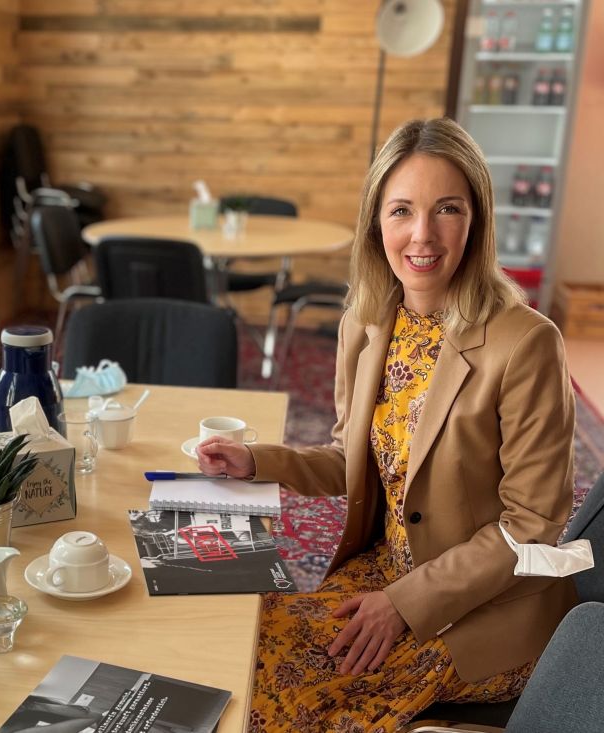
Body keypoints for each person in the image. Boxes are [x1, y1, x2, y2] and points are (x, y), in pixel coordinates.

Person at [197, 118, 577, 731]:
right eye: (401, 210)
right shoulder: (369, 322)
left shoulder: (527, 344)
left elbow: (530, 528)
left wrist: (403, 606)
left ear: (475, 220)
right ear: (377, 222)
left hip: (482, 609)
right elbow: (353, 457)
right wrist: (259, 461)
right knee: (236, 634)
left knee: (271, 696)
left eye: (447, 209)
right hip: (386, 568)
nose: (421, 234)